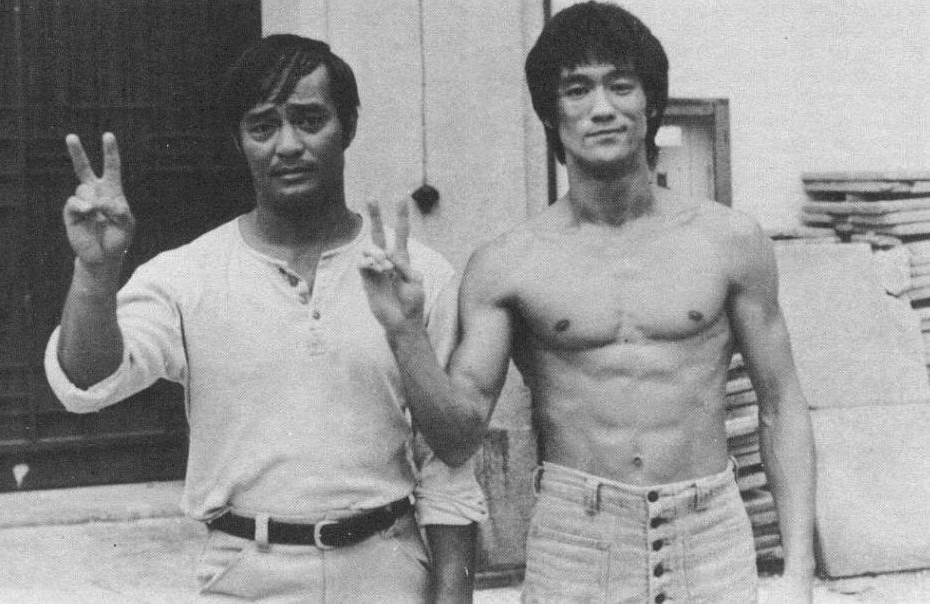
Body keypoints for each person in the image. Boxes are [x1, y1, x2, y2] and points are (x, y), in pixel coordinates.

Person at [359, 3, 816, 603]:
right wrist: (406, 334)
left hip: (709, 539)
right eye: (577, 89)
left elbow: (781, 404)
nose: (602, 108)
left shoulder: (729, 241)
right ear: (552, 114)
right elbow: (457, 438)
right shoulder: (508, 263)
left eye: (621, 85)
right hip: (577, 543)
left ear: (651, 102)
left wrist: (799, 574)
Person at [44, 34, 486, 603]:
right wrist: (95, 272)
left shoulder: (415, 275)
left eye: (310, 120)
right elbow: (87, 381)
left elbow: (449, 468)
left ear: (348, 126)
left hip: (387, 568)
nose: (288, 145)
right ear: (239, 141)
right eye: (262, 127)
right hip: (246, 571)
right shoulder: (189, 274)